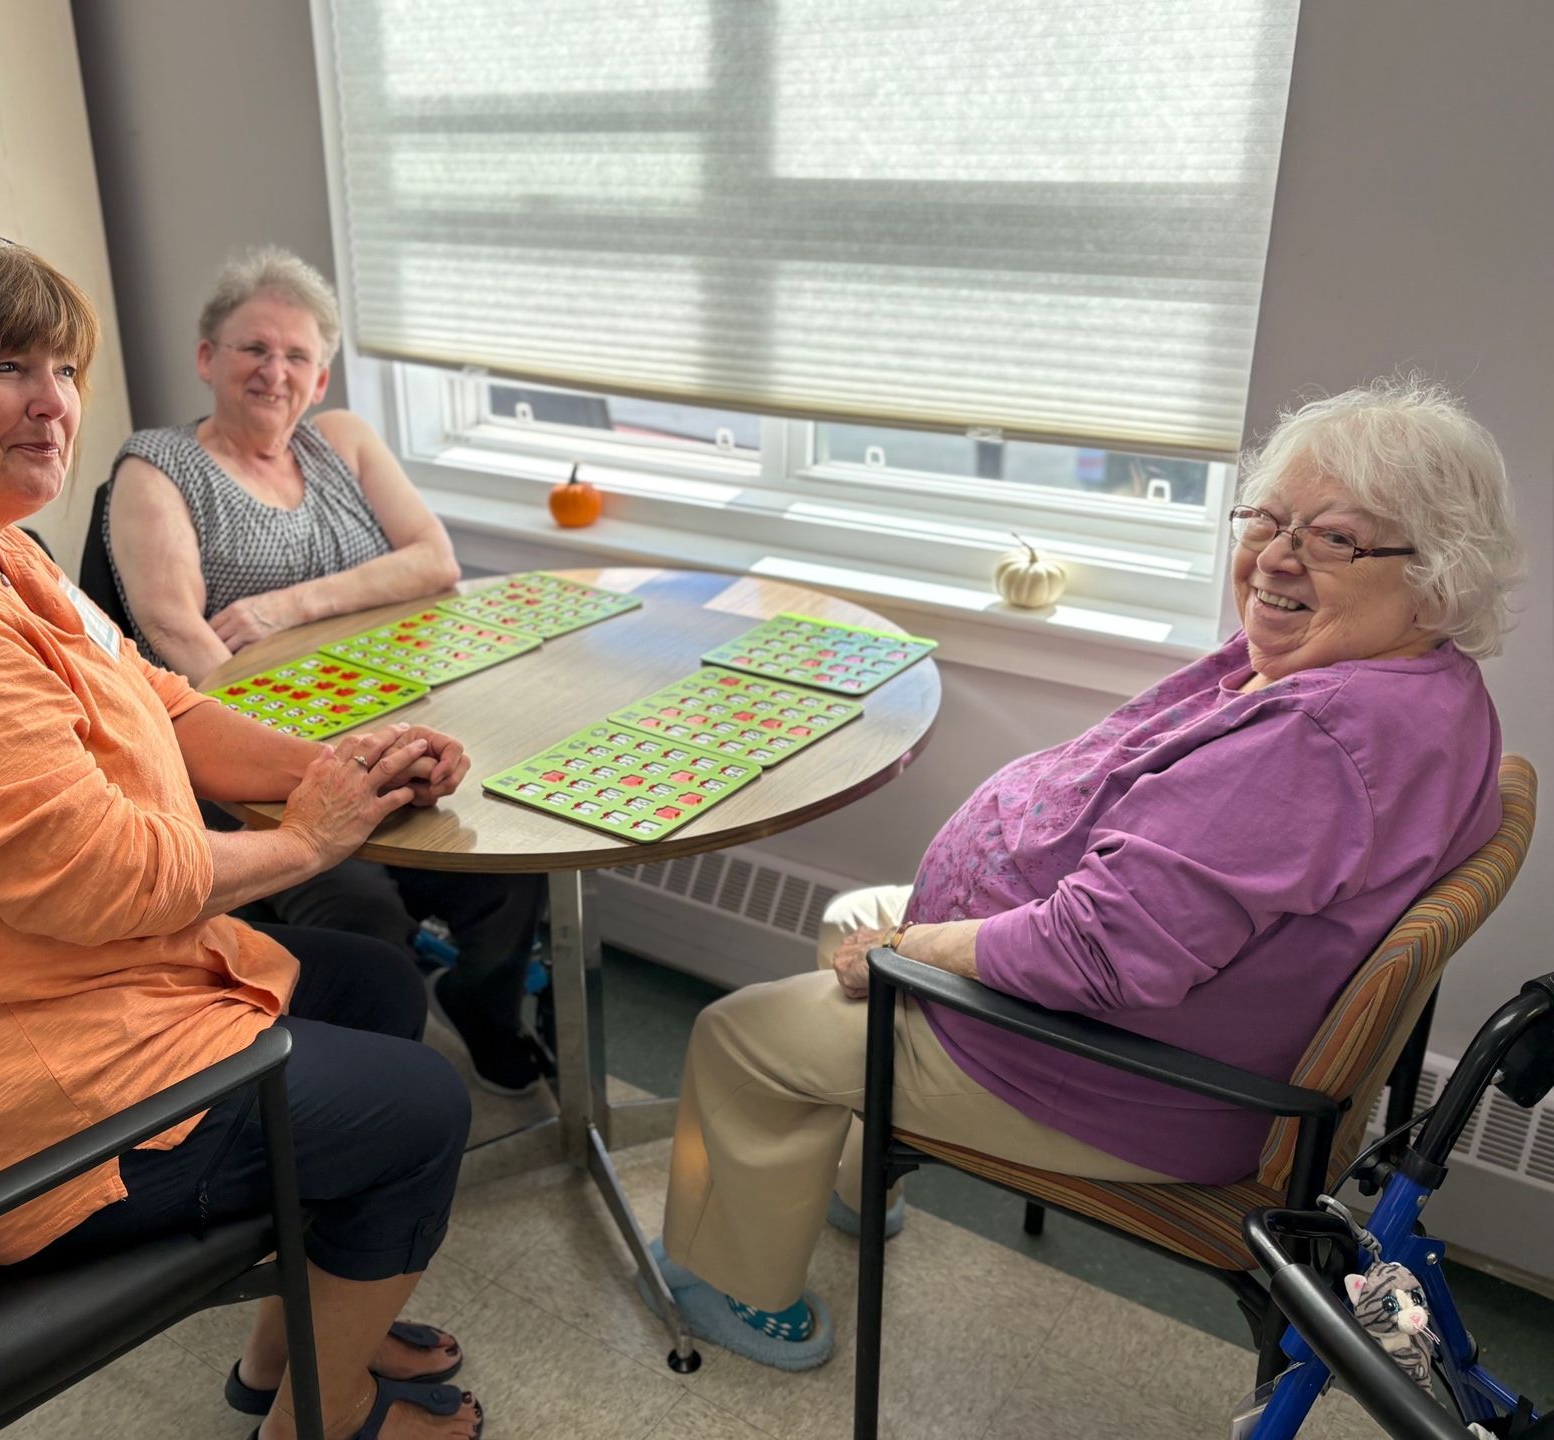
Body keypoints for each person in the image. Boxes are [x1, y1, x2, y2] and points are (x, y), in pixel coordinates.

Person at [0, 192, 485, 1440]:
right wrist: (308, 839)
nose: (54, 401)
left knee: (373, 985)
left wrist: (337, 766)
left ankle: (291, 1349)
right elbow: (101, 879)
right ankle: (324, 1420)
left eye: (63, 368)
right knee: (420, 1109)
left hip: (33, 1001)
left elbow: (159, 702)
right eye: (6, 368)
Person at [648, 378, 1523, 1370]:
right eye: (1269, 521)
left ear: (1437, 575)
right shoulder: (1424, 683)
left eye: (1336, 539)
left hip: (1115, 1073)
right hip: (1159, 1017)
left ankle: (732, 1284)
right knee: (849, 919)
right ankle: (856, 1186)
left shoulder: (1315, 743)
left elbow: (1097, 956)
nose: (1278, 558)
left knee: (741, 1037)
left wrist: (913, 945)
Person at [104, 245, 547, 1096]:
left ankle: (482, 1006)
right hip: (252, 766)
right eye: (253, 348)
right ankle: (379, 1094)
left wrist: (283, 608)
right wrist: (320, 760)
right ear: (207, 358)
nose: (275, 372)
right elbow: (175, 632)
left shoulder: (342, 440)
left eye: (296, 355)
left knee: (510, 861)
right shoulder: (155, 468)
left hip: (387, 730)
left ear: (320, 378)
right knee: (363, 917)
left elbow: (435, 561)